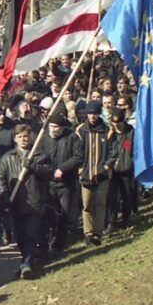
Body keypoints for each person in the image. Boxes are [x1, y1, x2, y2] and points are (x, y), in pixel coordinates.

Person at [0, 124, 53, 279]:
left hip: (34, 202)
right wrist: (4, 196)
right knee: (20, 236)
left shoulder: (40, 155)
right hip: (15, 203)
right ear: (15, 139)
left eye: (25, 136)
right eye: (20, 137)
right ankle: (26, 261)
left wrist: (33, 166)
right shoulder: (7, 158)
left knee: (31, 233)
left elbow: (48, 173)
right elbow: (1, 179)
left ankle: (26, 264)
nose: (23, 139)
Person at [39, 111, 81, 252]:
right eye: (51, 126)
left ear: (62, 127)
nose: (53, 129)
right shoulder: (43, 138)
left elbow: (78, 156)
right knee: (48, 213)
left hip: (66, 183)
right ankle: (45, 243)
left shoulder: (72, 137)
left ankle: (59, 245)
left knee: (64, 214)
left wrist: (63, 169)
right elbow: (38, 158)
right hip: (48, 183)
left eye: (56, 127)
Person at [77, 101, 116, 246]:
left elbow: (113, 150)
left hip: (102, 175)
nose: (92, 116)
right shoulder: (80, 130)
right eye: (90, 113)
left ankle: (97, 233)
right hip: (85, 174)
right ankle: (88, 233)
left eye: (94, 113)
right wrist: (80, 168)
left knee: (100, 204)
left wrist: (106, 166)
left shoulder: (107, 130)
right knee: (86, 204)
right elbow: (77, 152)